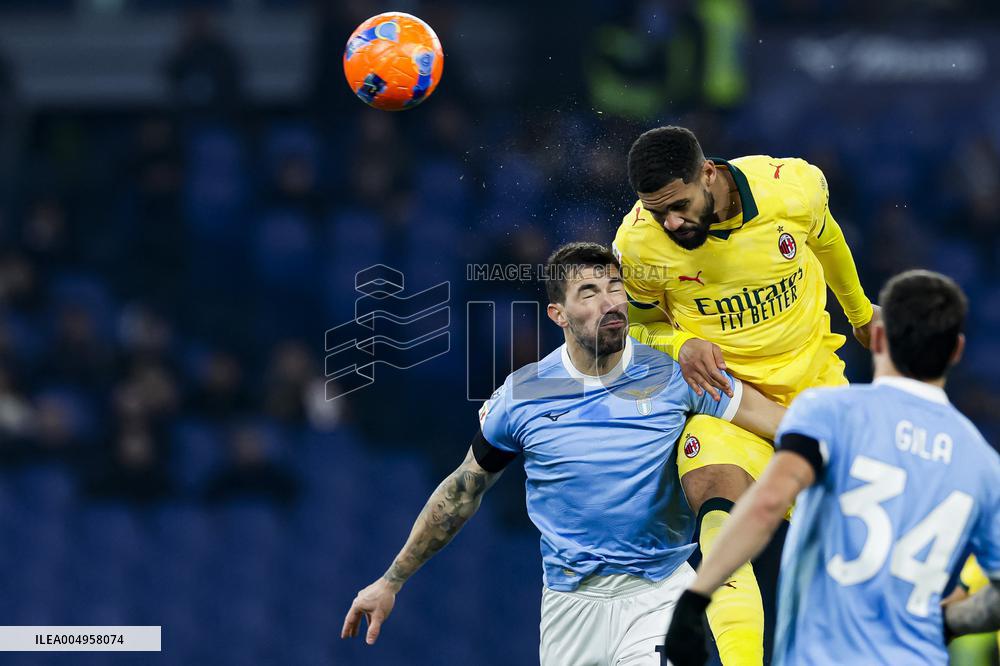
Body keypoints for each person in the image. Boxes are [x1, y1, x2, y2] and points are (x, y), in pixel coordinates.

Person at [342, 242, 787, 665]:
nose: (610, 303)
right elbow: (462, 492)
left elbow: (777, 421)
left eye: (615, 287)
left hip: (660, 594)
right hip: (569, 609)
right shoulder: (524, 395)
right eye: (589, 293)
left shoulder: (675, 376)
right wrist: (391, 580)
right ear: (558, 314)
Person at [613, 125, 877, 663]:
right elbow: (635, 327)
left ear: (707, 173)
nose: (671, 223)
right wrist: (680, 342)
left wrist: (861, 313)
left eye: (680, 206)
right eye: (658, 212)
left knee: (862, 558)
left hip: (813, 395)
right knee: (716, 512)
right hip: (726, 402)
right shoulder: (639, 243)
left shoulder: (791, 187)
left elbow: (827, 240)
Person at [663, 269, 1000, 665]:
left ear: (877, 338)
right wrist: (946, 622)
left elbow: (768, 504)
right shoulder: (982, 464)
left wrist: (697, 596)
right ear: (957, 350)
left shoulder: (831, 413)